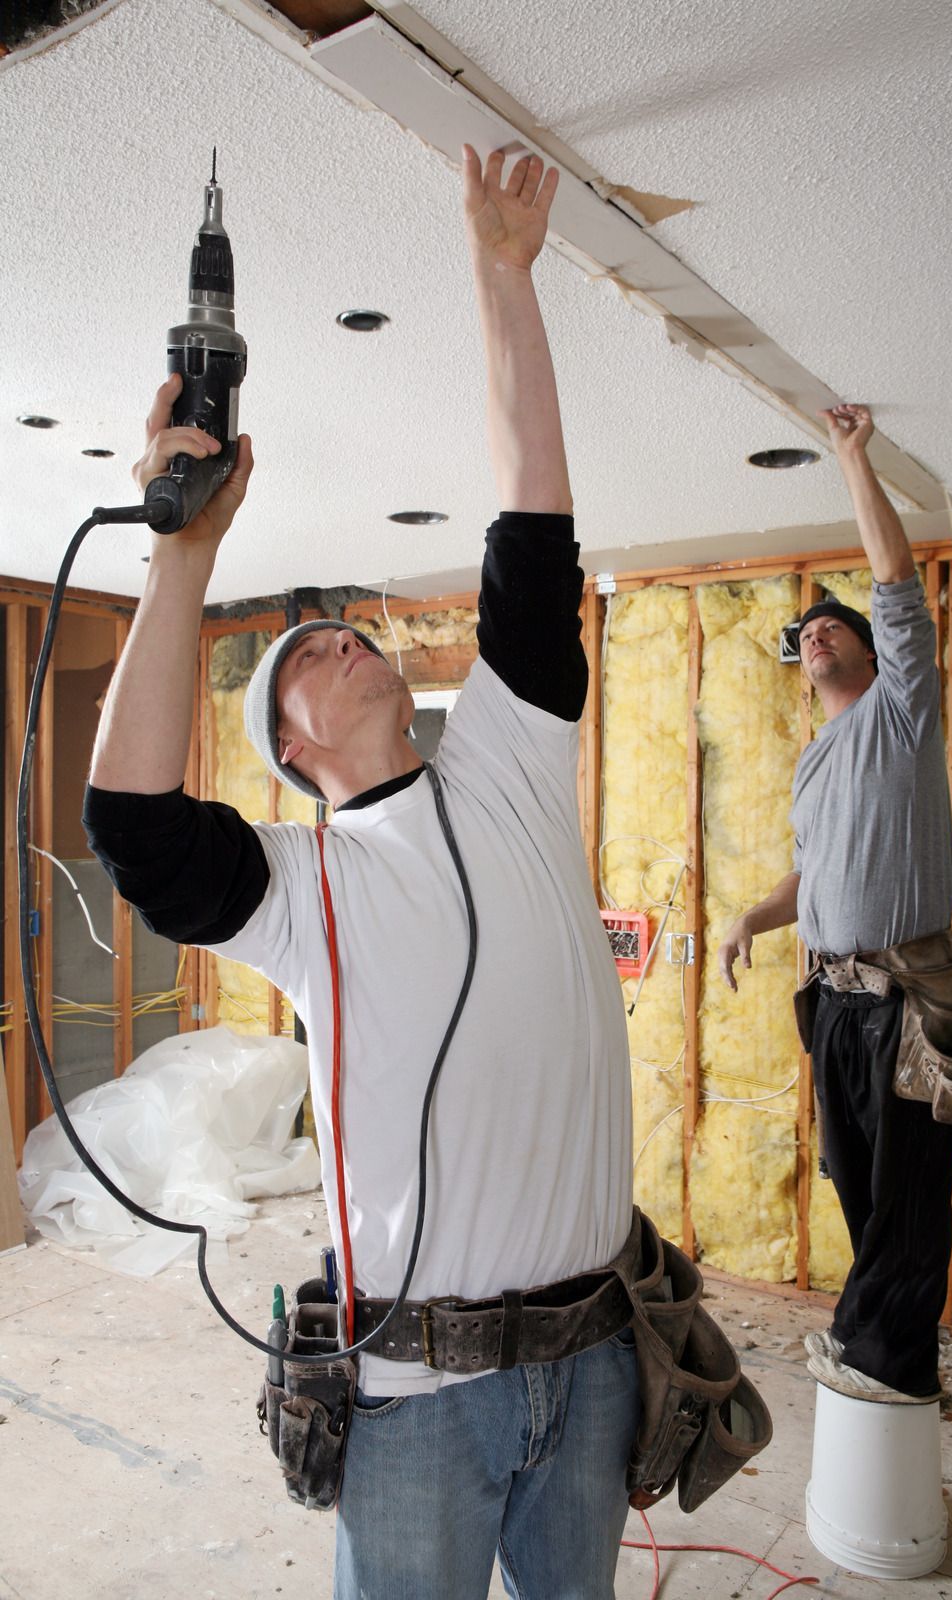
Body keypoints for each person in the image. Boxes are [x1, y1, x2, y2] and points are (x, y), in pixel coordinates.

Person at [84, 147, 639, 1600]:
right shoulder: (299, 889)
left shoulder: (512, 763)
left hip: (593, 1363)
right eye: (300, 660)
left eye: (346, 632)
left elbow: (531, 541)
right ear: (287, 749)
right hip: (415, 1399)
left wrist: (502, 279)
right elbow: (137, 825)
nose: (336, 637)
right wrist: (178, 563)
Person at [717, 403, 952, 1405]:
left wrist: (851, 459)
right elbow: (810, 876)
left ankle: (885, 1357)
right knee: (856, 1182)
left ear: (868, 651)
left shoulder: (900, 713)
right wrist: (750, 917)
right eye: (804, 631)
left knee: (908, 1188)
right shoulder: (814, 762)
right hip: (833, 1002)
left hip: (907, 997)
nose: (814, 633)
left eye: (833, 624)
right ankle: (883, 1344)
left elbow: (897, 588)